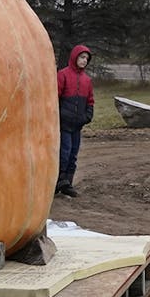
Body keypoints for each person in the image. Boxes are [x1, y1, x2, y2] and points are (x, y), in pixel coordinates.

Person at [57, 44, 95, 196]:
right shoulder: (63, 75)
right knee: (64, 153)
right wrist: (61, 115)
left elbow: (90, 101)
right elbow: (55, 97)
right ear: (74, 57)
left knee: (73, 154)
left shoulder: (87, 80)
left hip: (77, 124)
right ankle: (58, 181)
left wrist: (87, 116)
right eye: (82, 57)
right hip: (64, 123)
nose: (84, 61)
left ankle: (68, 183)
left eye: (86, 58)